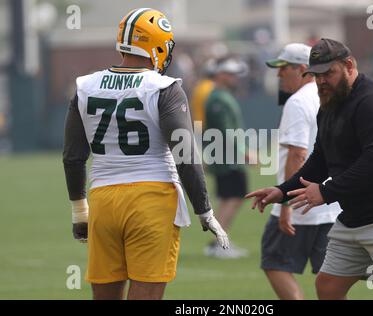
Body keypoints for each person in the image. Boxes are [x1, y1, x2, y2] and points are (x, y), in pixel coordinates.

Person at [246, 38, 373, 300]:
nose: (321, 81)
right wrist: (283, 191)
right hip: (357, 215)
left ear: (348, 65)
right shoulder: (329, 106)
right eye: (316, 75)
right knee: (328, 286)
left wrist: (326, 191)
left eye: (328, 73)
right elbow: (320, 160)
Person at [62, 8, 229, 300]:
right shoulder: (163, 87)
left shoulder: (85, 86)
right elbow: (185, 153)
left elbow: (73, 156)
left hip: (102, 200)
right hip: (152, 199)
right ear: (158, 46)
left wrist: (80, 211)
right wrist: (204, 210)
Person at [262, 43, 340, 300]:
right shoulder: (330, 96)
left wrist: (285, 203)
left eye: (284, 68)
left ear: (303, 69)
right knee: (329, 279)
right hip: (330, 201)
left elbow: (297, 155)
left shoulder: (297, 102)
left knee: (274, 262)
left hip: (300, 203)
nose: (278, 75)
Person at [203, 56, 250, 259]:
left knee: (230, 198)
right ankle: (218, 244)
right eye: (230, 74)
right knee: (234, 197)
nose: (235, 78)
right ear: (220, 75)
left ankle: (218, 242)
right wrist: (244, 151)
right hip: (226, 158)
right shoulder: (218, 98)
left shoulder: (221, 96)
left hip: (226, 156)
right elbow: (225, 130)